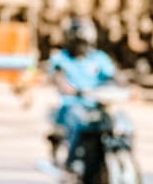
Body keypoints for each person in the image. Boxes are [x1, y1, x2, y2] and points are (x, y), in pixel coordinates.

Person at [48, 18, 119, 169]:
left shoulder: (98, 58)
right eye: (80, 42)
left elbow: (113, 76)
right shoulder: (61, 58)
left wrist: (127, 88)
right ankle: (71, 163)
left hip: (97, 104)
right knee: (78, 122)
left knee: (118, 123)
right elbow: (59, 78)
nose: (83, 46)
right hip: (72, 105)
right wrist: (70, 89)